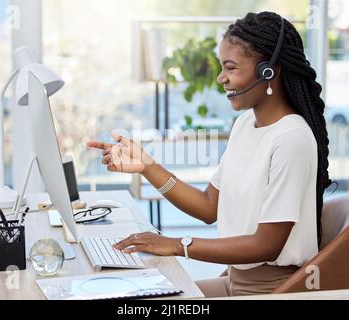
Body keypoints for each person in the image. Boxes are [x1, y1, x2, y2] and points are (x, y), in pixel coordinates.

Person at [87, 11, 332, 297]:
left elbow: (267, 245)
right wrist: (147, 166)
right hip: (235, 281)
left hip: (269, 291)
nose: (221, 78)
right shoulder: (244, 126)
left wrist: (178, 244)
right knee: (133, 296)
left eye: (231, 68)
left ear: (269, 71)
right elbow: (208, 207)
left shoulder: (292, 139)